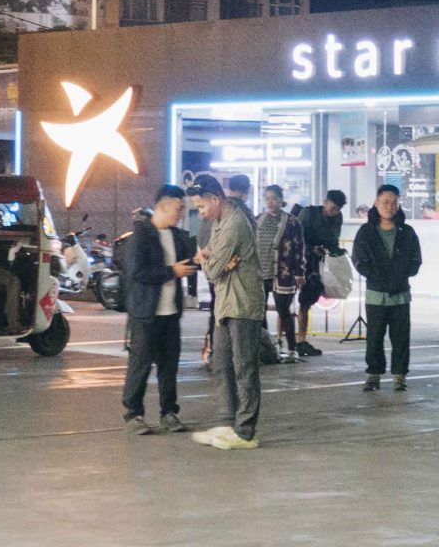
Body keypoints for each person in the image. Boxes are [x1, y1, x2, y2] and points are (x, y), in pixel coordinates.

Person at [187, 174, 266, 450]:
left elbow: (210, 269)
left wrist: (211, 260)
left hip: (243, 303)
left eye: (201, 207)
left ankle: (246, 432)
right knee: (221, 362)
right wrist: (216, 259)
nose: (201, 213)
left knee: (244, 367)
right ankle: (227, 420)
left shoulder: (234, 224)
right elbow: (213, 260)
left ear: (215, 199)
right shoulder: (219, 221)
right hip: (225, 304)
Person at [121, 186, 196, 434]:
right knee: (140, 364)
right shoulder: (141, 236)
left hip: (170, 313)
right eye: (179, 208)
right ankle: (133, 414)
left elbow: (187, 262)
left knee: (169, 365)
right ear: (163, 205)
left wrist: (200, 258)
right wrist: (171, 272)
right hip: (146, 313)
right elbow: (137, 273)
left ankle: (169, 412)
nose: (182, 213)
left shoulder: (177, 236)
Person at [351, 183, 422, 391]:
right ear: (376, 203)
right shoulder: (366, 232)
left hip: (401, 295)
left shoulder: (407, 232)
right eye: (385, 202)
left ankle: (400, 375)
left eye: (394, 203)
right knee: (374, 338)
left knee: (401, 338)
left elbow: (416, 260)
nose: (390, 207)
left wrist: (401, 274)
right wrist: (378, 277)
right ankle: (374, 375)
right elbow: (359, 261)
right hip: (376, 295)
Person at [259, 185, 308, 362]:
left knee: (283, 311)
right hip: (261, 272)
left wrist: (299, 272)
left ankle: (292, 348)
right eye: (267, 198)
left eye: (274, 198)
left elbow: (299, 248)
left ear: (281, 199)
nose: (271, 202)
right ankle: (266, 347)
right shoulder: (259, 220)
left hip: (284, 273)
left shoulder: (292, 222)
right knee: (259, 311)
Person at [295, 189, 347, 357]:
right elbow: (296, 238)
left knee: (306, 301)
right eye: (333, 207)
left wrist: (336, 252)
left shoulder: (337, 218)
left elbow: (333, 240)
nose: (335, 211)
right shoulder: (309, 213)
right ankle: (288, 340)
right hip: (298, 261)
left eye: (338, 208)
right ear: (326, 202)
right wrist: (311, 249)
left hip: (318, 264)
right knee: (285, 300)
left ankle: (300, 340)